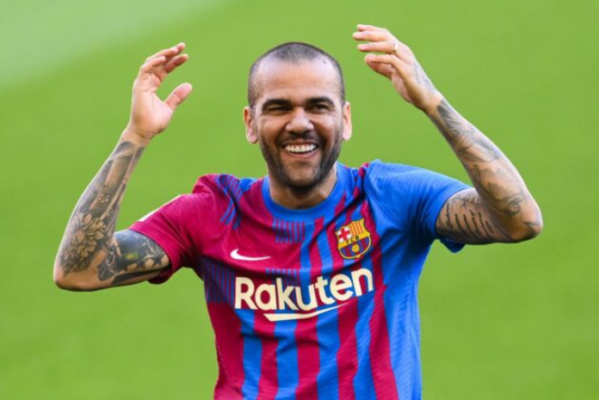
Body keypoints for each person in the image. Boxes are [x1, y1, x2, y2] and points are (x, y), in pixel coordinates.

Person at [54, 24, 542, 400]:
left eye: (318, 106)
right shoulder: (210, 213)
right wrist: (137, 135)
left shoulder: (391, 197)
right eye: (279, 108)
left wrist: (434, 103)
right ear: (251, 123)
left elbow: (520, 220)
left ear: (345, 119)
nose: (300, 123)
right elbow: (79, 270)